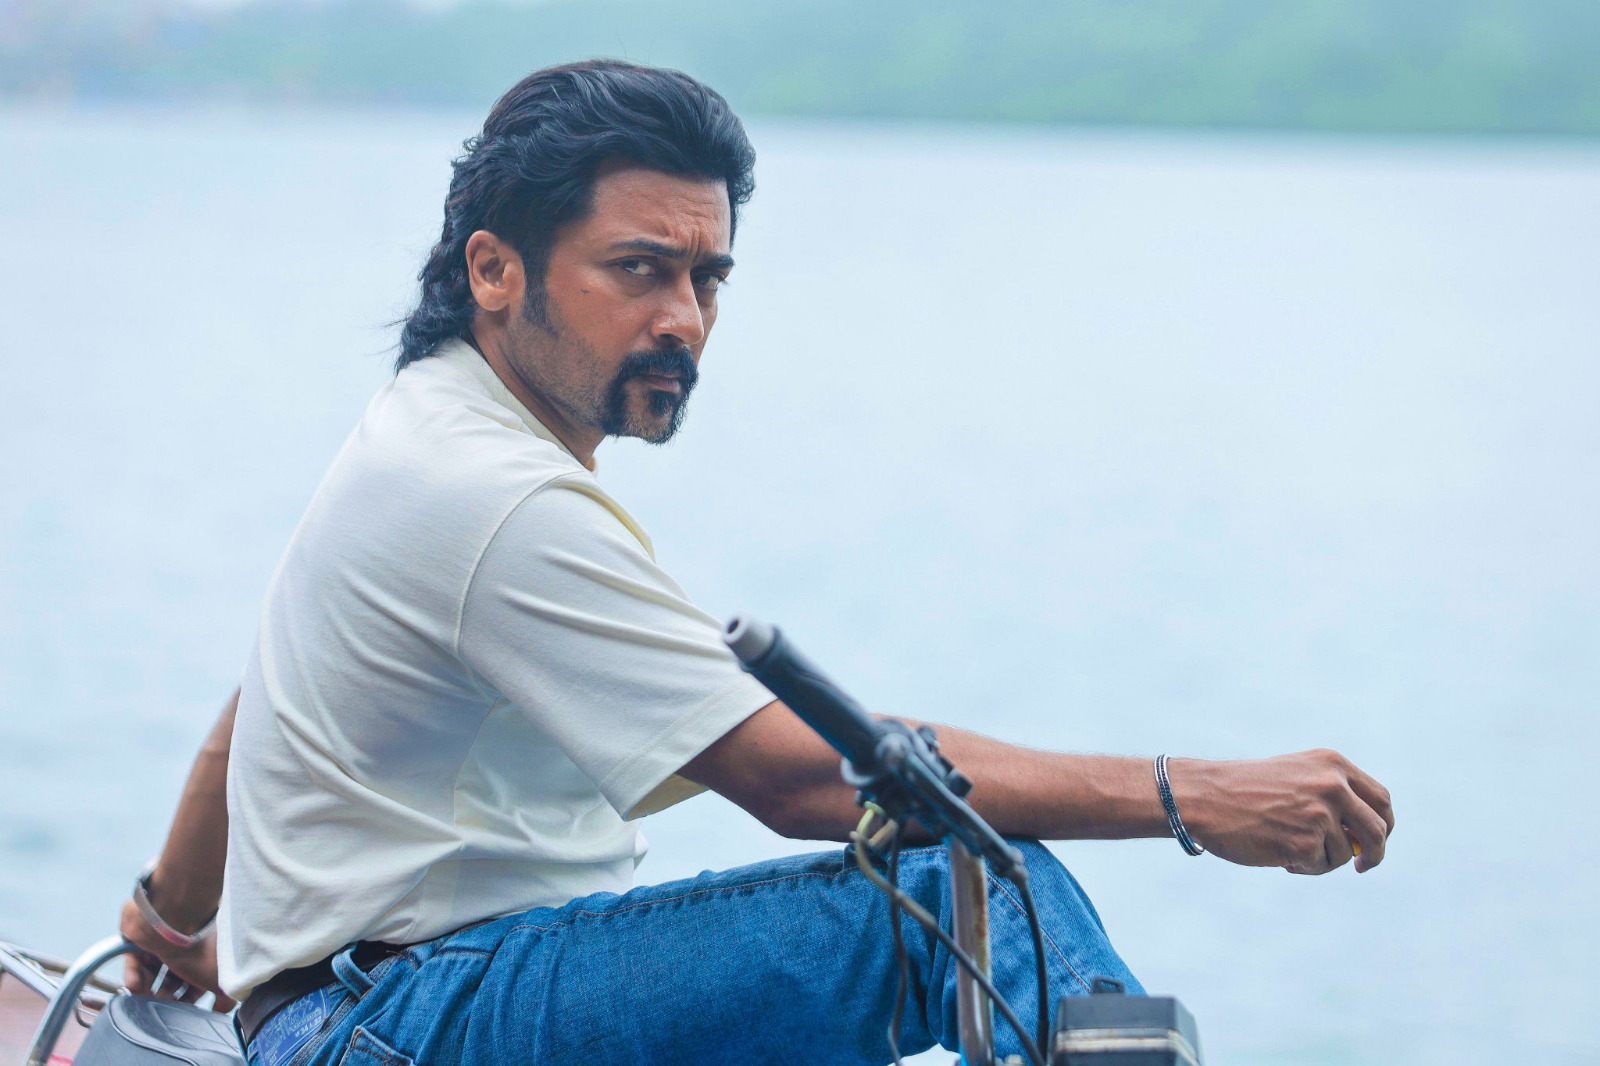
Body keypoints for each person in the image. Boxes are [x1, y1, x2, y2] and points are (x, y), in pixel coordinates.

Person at [119, 59, 1395, 1066]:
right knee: (963, 891)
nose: (683, 318)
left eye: (707, 277)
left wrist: (172, 918)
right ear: (494, 269)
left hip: (369, 1005)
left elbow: (261, 699)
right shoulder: (491, 493)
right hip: (400, 1021)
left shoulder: (426, 429)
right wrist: (1183, 794)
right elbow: (806, 779)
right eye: (637, 271)